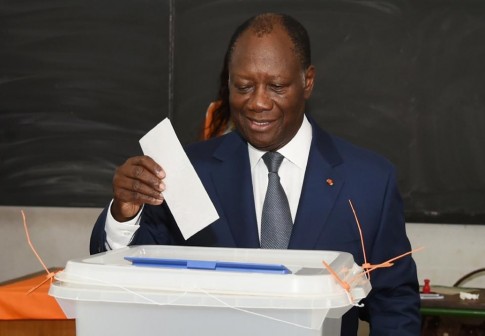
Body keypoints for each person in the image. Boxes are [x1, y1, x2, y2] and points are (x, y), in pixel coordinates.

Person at [90, 13, 420, 335]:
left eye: (276, 86)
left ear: (308, 81)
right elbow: (127, 276)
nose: (257, 103)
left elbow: (394, 304)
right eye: (244, 86)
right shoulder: (187, 172)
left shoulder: (368, 182)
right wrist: (124, 214)